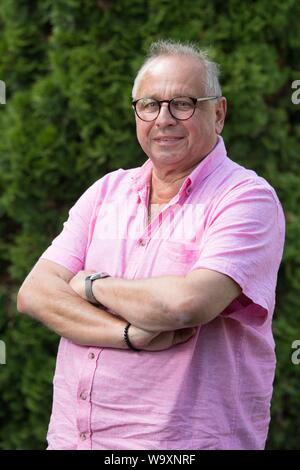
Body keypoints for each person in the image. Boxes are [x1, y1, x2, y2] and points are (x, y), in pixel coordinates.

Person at [17, 39, 285, 450]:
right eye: (149, 104)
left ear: (219, 113)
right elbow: (35, 294)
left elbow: (186, 304)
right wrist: (128, 333)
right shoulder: (107, 191)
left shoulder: (246, 198)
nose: (164, 119)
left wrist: (91, 285)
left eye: (183, 103)